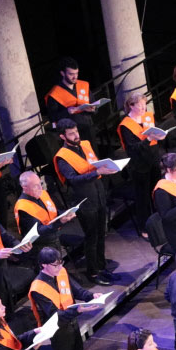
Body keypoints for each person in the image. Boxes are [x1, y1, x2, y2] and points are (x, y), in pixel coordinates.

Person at [28, 246, 103, 350]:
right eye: (55, 264)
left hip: (73, 323)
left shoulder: (61, 272)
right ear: (43, 265)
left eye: (60, 262)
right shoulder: (38, 288)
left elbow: (76, 290)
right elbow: (54, 314)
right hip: (59, 331)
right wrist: (79, 309)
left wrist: (91, 296)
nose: (60, 267)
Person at [48, 118, 114, 284]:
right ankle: (92, 273)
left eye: (76, 131)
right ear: (63, 137)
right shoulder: (62, 157)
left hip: (98, 193)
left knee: (101, 233)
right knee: (91, 236)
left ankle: (101, 266)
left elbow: (94, 164)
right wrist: (97, 172)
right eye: (71, 134)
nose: (76, 135)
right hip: (84, 199)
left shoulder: (85, 144)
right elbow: (72, 179)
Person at [115, 91, 165, 237]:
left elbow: (156, 136)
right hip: (139, 165)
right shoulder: (126, 125)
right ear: (131, 106)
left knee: (156, 193)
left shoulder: (148, 117)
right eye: (140, 106)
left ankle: (159, 220)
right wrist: (148, 139)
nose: (144, 108)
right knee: (143, 197)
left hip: (153, 160)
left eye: (145, 105)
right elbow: (132, 149)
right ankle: (145, 227)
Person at [14, 169, 85, 265]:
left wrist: (66, 213)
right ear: (24, 187)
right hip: (42, 246)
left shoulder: (42, 193)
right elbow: (38, 232)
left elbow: (53, 211)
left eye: (40, 183)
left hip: (54, 236)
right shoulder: (23, 207)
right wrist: (60, 222)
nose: (40, 188)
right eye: (35, 186)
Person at [43, 56, 104, 142]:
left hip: (88, 128)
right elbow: (52, 117)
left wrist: (93, 109)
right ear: (63, 73)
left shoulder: (83, 85)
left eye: (77, 73)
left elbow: (95, 107)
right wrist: (67, 111)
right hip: (70, 134)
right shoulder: (54, 94)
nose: (75, 77)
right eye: (71, 74)